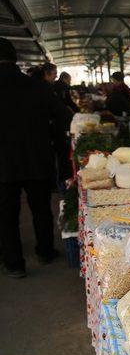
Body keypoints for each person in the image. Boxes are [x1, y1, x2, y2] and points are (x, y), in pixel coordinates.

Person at [0, 38, 72, 277]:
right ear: (16, 59)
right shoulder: (38, 86)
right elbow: (64, 117)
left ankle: (14, 264)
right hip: (36, 159)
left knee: (6, 216)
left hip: (3, 166)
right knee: (41, 208)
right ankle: (45, 251)